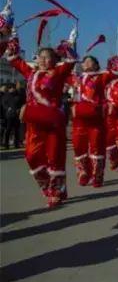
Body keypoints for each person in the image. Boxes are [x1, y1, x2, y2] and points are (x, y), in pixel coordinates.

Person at [6, 39, 77, 208]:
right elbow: (15, 60)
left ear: (54, 60)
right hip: (34, 123)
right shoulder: (31, 73)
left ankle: (56, 192)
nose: (44, 60)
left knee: (55, 157)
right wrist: (12, 42)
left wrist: (69, 45)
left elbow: (71, 61)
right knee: (31, 156)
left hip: (53, 123)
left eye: (48, 57)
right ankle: (48, 186)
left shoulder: (58, 72)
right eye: (41, 57)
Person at [69, 55, 117, 187]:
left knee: (97, 147)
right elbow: (60, 73)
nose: (86, 63)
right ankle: (84, 173)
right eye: (84, 61)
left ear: (97, 65)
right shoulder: (75, 78)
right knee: (79, 147)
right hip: (79, 118)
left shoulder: (101, 77)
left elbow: (115, 73)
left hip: (96, 118)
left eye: (90, 61)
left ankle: (97, 176)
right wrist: (68, 53)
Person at [1, 83, 21, 149]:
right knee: (8, 130)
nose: (14, 89)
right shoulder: (6, 96)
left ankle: (16, 144)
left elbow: (21, 103)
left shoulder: (18, 95)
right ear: (10, 89)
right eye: (13, 88)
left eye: (14, 88)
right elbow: (3, 103)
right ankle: (6, 144)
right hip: (9, 115)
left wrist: (19, 109)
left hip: (17, 115)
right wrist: (7, 108)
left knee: (16, 130)